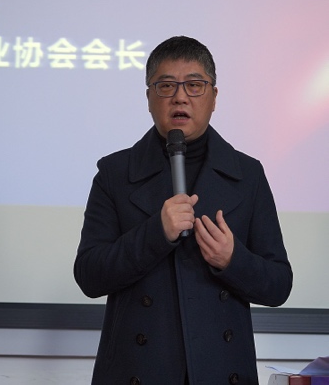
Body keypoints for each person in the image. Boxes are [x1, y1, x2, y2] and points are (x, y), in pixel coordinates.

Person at [73, 36, 293, 385]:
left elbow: (279, 285)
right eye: (166, 86)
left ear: (214, 97)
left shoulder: (247, 174)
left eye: (194, 85)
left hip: (221, 369)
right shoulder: (115, 174)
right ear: (148, 97)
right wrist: (155, 234)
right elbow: (89, 275)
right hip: (138, 370)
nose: (180, 97)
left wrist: (232, 259)